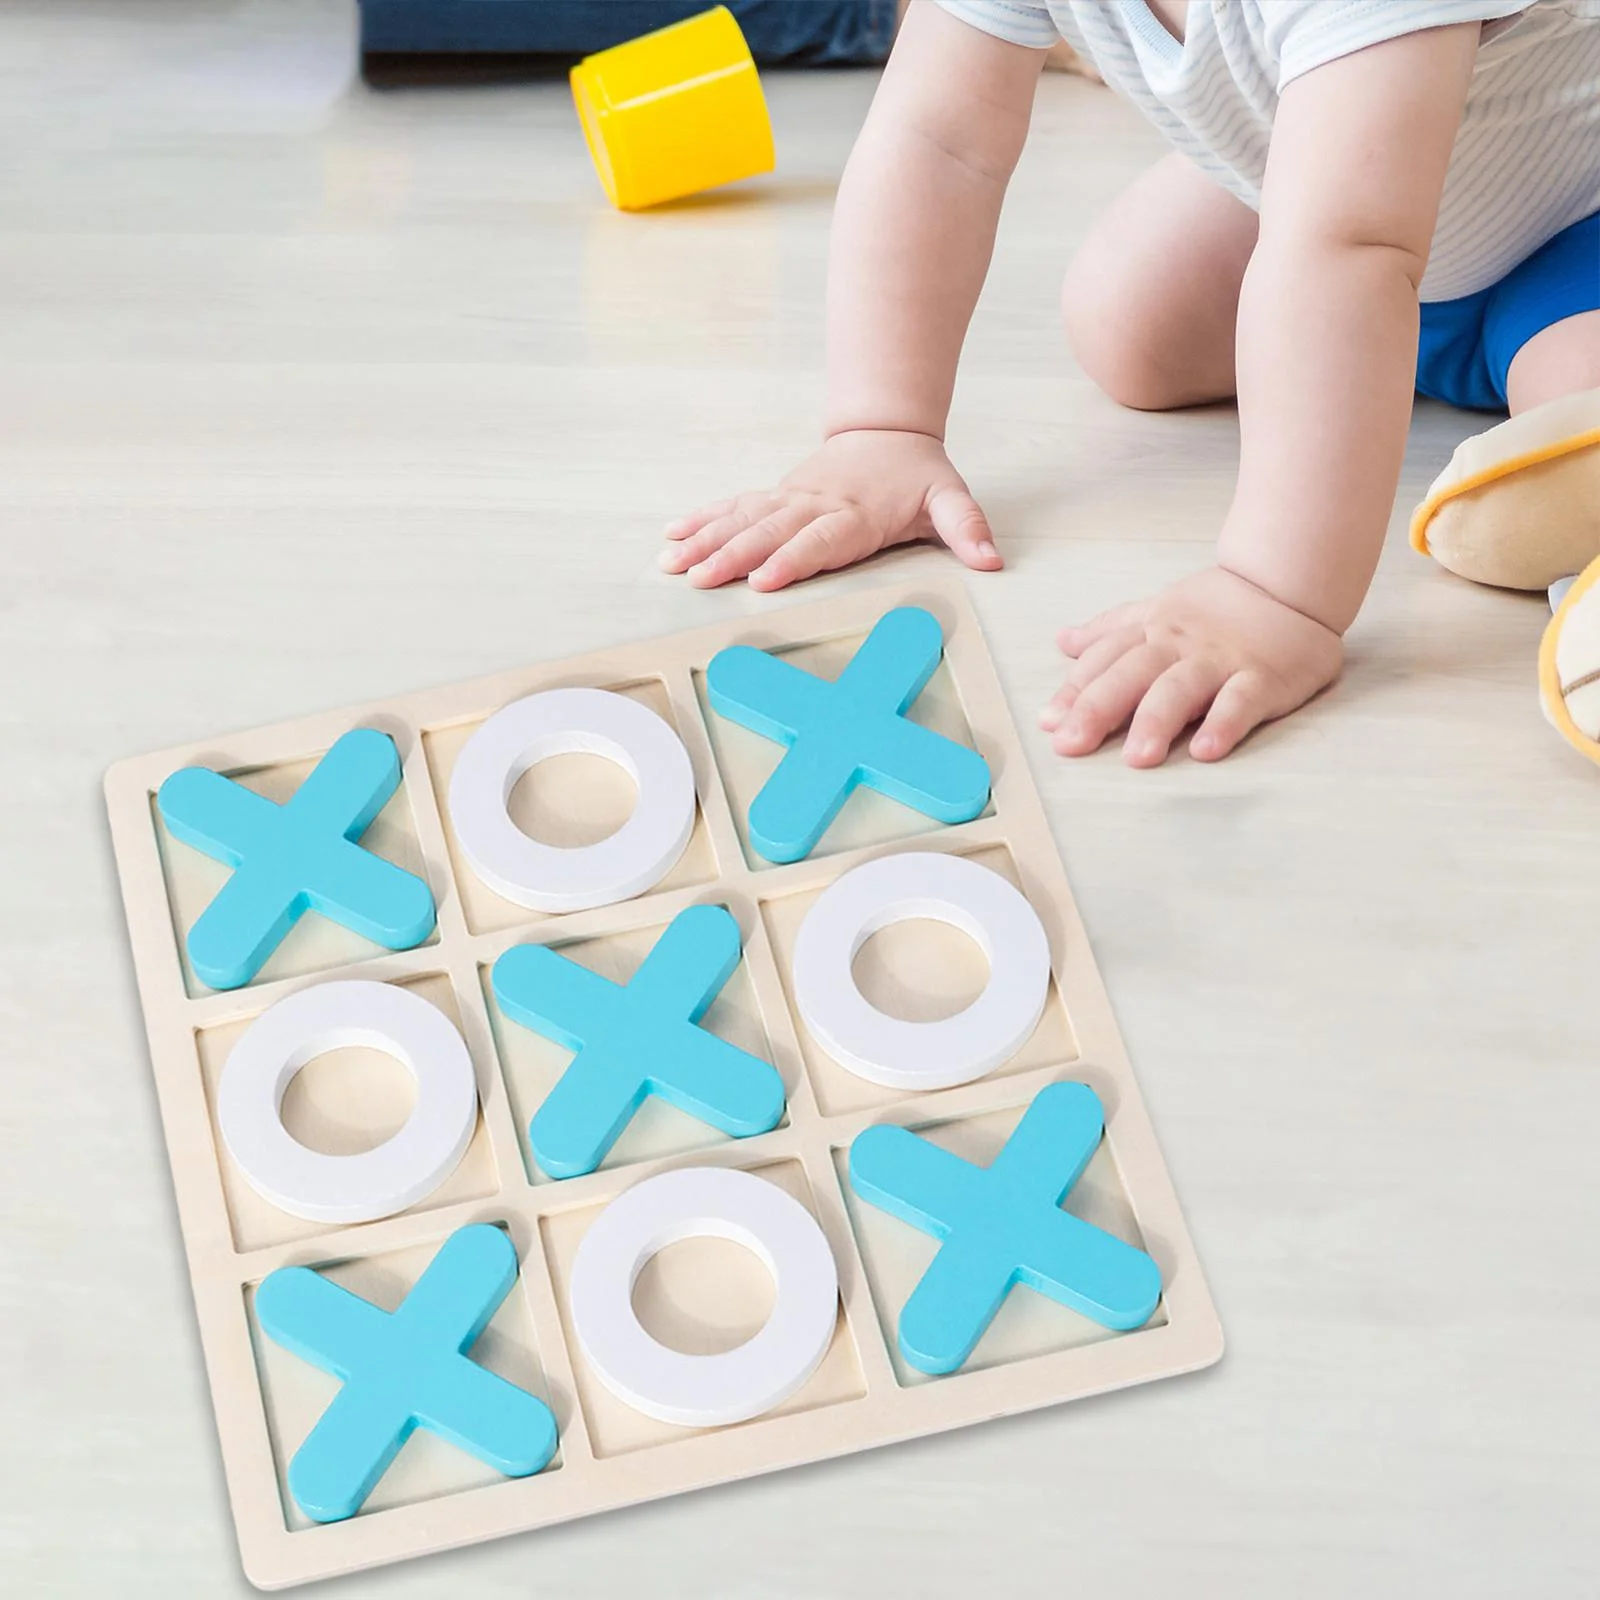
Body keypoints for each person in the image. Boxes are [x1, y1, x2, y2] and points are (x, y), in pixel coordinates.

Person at [660, 1, 1600, 767]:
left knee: (1571, 427)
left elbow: (1351, 252)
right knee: (1128, 323)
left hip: (1564, 231)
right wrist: (880, 427)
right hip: (1336, 195)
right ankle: (1371, 362)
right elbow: (936, 137)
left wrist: (1276, 591)